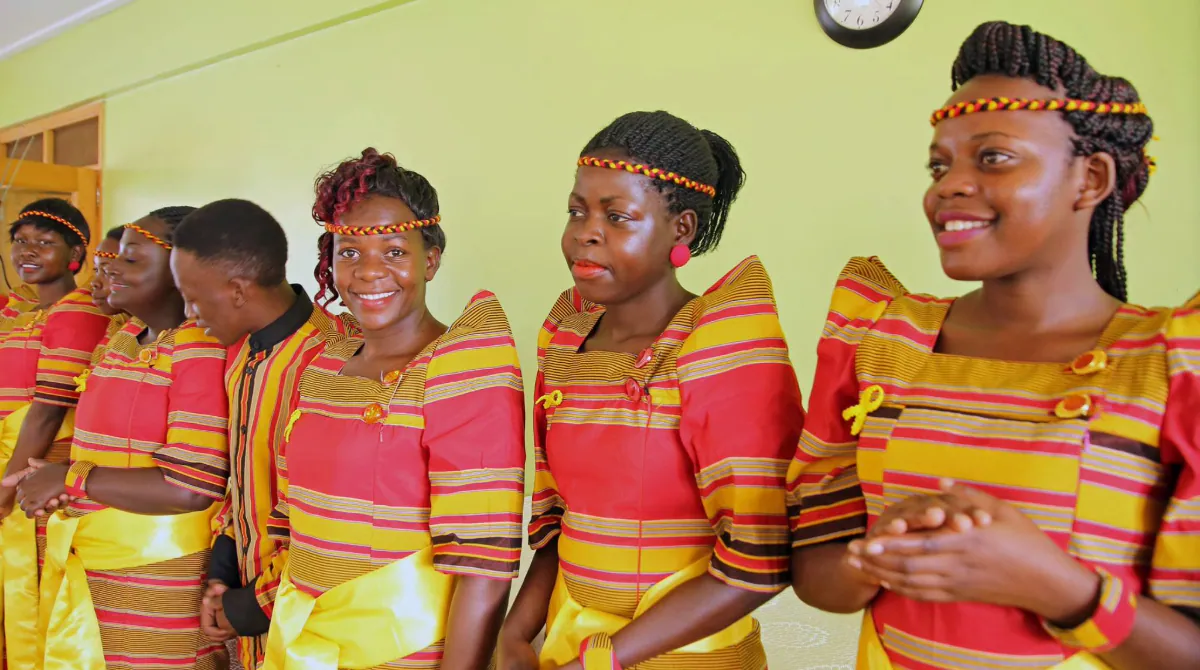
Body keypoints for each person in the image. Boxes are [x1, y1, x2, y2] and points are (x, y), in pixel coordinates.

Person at [787, 21, 1200, 670]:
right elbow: (817, 577)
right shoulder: (881, 340)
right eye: (938, 164)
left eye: (993, 157)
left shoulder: (1170, 368)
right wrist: (880, 552)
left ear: (1090, 180)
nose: (947, 185)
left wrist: (1059, 587)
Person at [498, 111, 805, 669]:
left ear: (680, 229)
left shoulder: (720, 342)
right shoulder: (566, 337)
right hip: (571, 645)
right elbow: (559, 517)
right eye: (576, 210)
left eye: (617, 216)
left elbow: (762, 557)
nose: (585, 232)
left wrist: (604, 661)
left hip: (686, 657)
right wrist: (515, 634)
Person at [261, 148, 525, 670]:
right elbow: (297, 520)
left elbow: (483, 569)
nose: (368, 272)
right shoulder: (325, 363)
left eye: (394, 252)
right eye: (350, 253)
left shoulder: (462, 365)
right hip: (303, 644)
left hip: (403, 652)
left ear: (430, 258)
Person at [11, 205, 231, 670]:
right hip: (93, 560)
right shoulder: (127, 336)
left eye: (131, 259)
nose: (108, 264)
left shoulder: (199, 346)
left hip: (155, 573)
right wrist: (56, 484)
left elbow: (191, 487)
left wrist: (70, 479)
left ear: (184, 271)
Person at [170, 198, 349, 669]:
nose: (189, 314)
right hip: (250, 616)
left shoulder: (330, 361)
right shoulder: (243, 354)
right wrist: (223, 574)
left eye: (192, 295)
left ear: (235, 290)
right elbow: (243, 480)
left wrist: (253, 606)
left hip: (307, 620)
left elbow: (328, 523)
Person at [0, 199, 110, 668]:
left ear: (75, 255)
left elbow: (47, 412)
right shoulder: (21, 310)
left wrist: (5, 489)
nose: (28, 251)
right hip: (12, 465)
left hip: (34, 472)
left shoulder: (78, 311)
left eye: (45, 243)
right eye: (21, 241)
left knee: (35, 590)